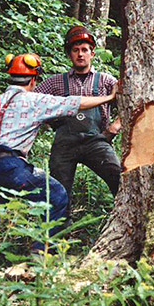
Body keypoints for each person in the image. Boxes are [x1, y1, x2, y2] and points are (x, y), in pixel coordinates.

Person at [0, 52, 117, 263]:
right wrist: (109, 97)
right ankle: (40, 258)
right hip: (11, 166)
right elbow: (74, 103)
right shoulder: (34, 101)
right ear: (33, 80)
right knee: (56, 195)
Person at [35, 26, 121, 212]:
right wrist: (49, 119)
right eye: (75, 50)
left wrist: (116, 125)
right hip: (64, 145)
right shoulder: (56, 82)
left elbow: (132, 98)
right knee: (58, 193)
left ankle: (126, 219)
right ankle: (58, 235)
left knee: (119, 178)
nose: (80, 54)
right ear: (69, 54)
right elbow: (31, 101)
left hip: (96, 142)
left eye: (84, 50)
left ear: (92, 53)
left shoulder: (106, 81)